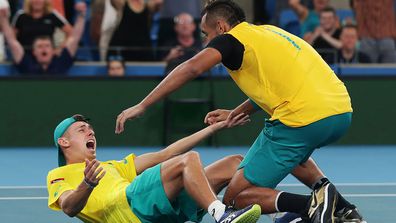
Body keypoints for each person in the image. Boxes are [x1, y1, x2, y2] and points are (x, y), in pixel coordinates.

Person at [114, 1, 365, 223]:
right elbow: (280, 81)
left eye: (206, 34)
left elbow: (191, 68)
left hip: (302, 118)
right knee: (290, 156)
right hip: (340, 110)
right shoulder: (268, 32)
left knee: (237, 199)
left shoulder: (230, 40)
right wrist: (238, 110)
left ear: (221, 28)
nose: (205, 41)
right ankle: (344, 209)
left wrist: (143, 104)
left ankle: (314, 205)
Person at [47, 114, 261, 223]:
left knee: (234, 163)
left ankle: (274, 211)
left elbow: (166, 154)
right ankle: (221, 214)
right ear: (64, 142)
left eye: (91, 129)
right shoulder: (57, 175)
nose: (90, 133)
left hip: (148, 210)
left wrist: (215, 127)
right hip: (127, 209)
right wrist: (87, 184)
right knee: (188, 160)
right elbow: (69, 207)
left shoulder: (112, 166)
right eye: (82, 130)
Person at [0, 3, 86, 75]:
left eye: (47, 46)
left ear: (52, 50)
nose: (44, 49)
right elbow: (12, 41)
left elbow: (75, 38)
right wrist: (3, 19)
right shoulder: (26, 63)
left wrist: (81, 15)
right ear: (34, 51)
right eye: (40, 46)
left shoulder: (61, 62)